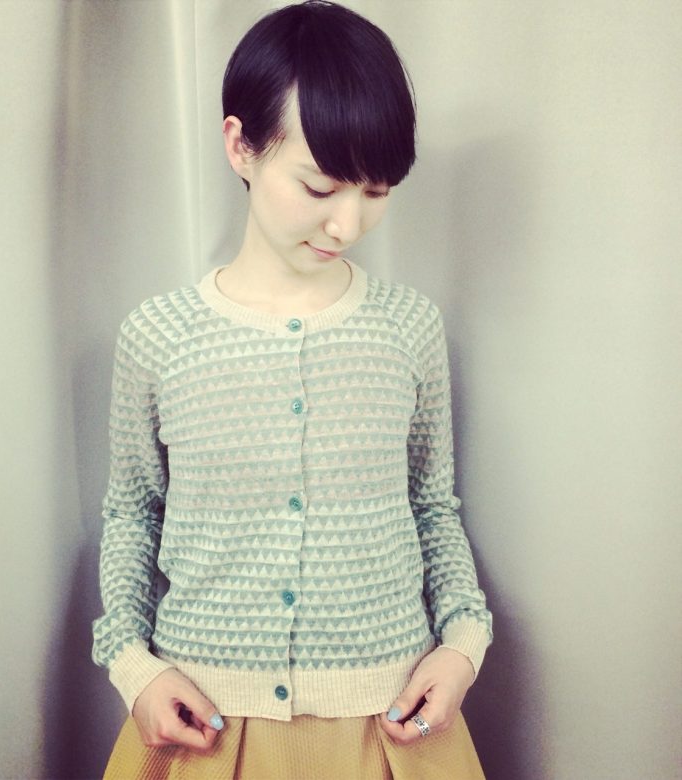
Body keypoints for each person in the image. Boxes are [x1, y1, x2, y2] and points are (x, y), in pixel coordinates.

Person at [92, 2, 492, 777]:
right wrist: (134, 668)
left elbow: (431, 506)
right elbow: (133, 512)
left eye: (376, 191)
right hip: (205, 727)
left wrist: (462, 645)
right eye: (319, 186)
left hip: (392, 722)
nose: (348, 224)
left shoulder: (408, 327)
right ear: (240, 146)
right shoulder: (159, 335)